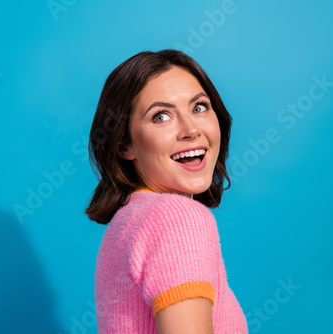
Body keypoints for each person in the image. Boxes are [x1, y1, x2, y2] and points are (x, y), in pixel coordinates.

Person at [85, 49, 248, 333]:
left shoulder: (127, 224)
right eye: (161, 116)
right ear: (124, 145)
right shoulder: (177, 219)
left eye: (199, 108)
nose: (190, 130)